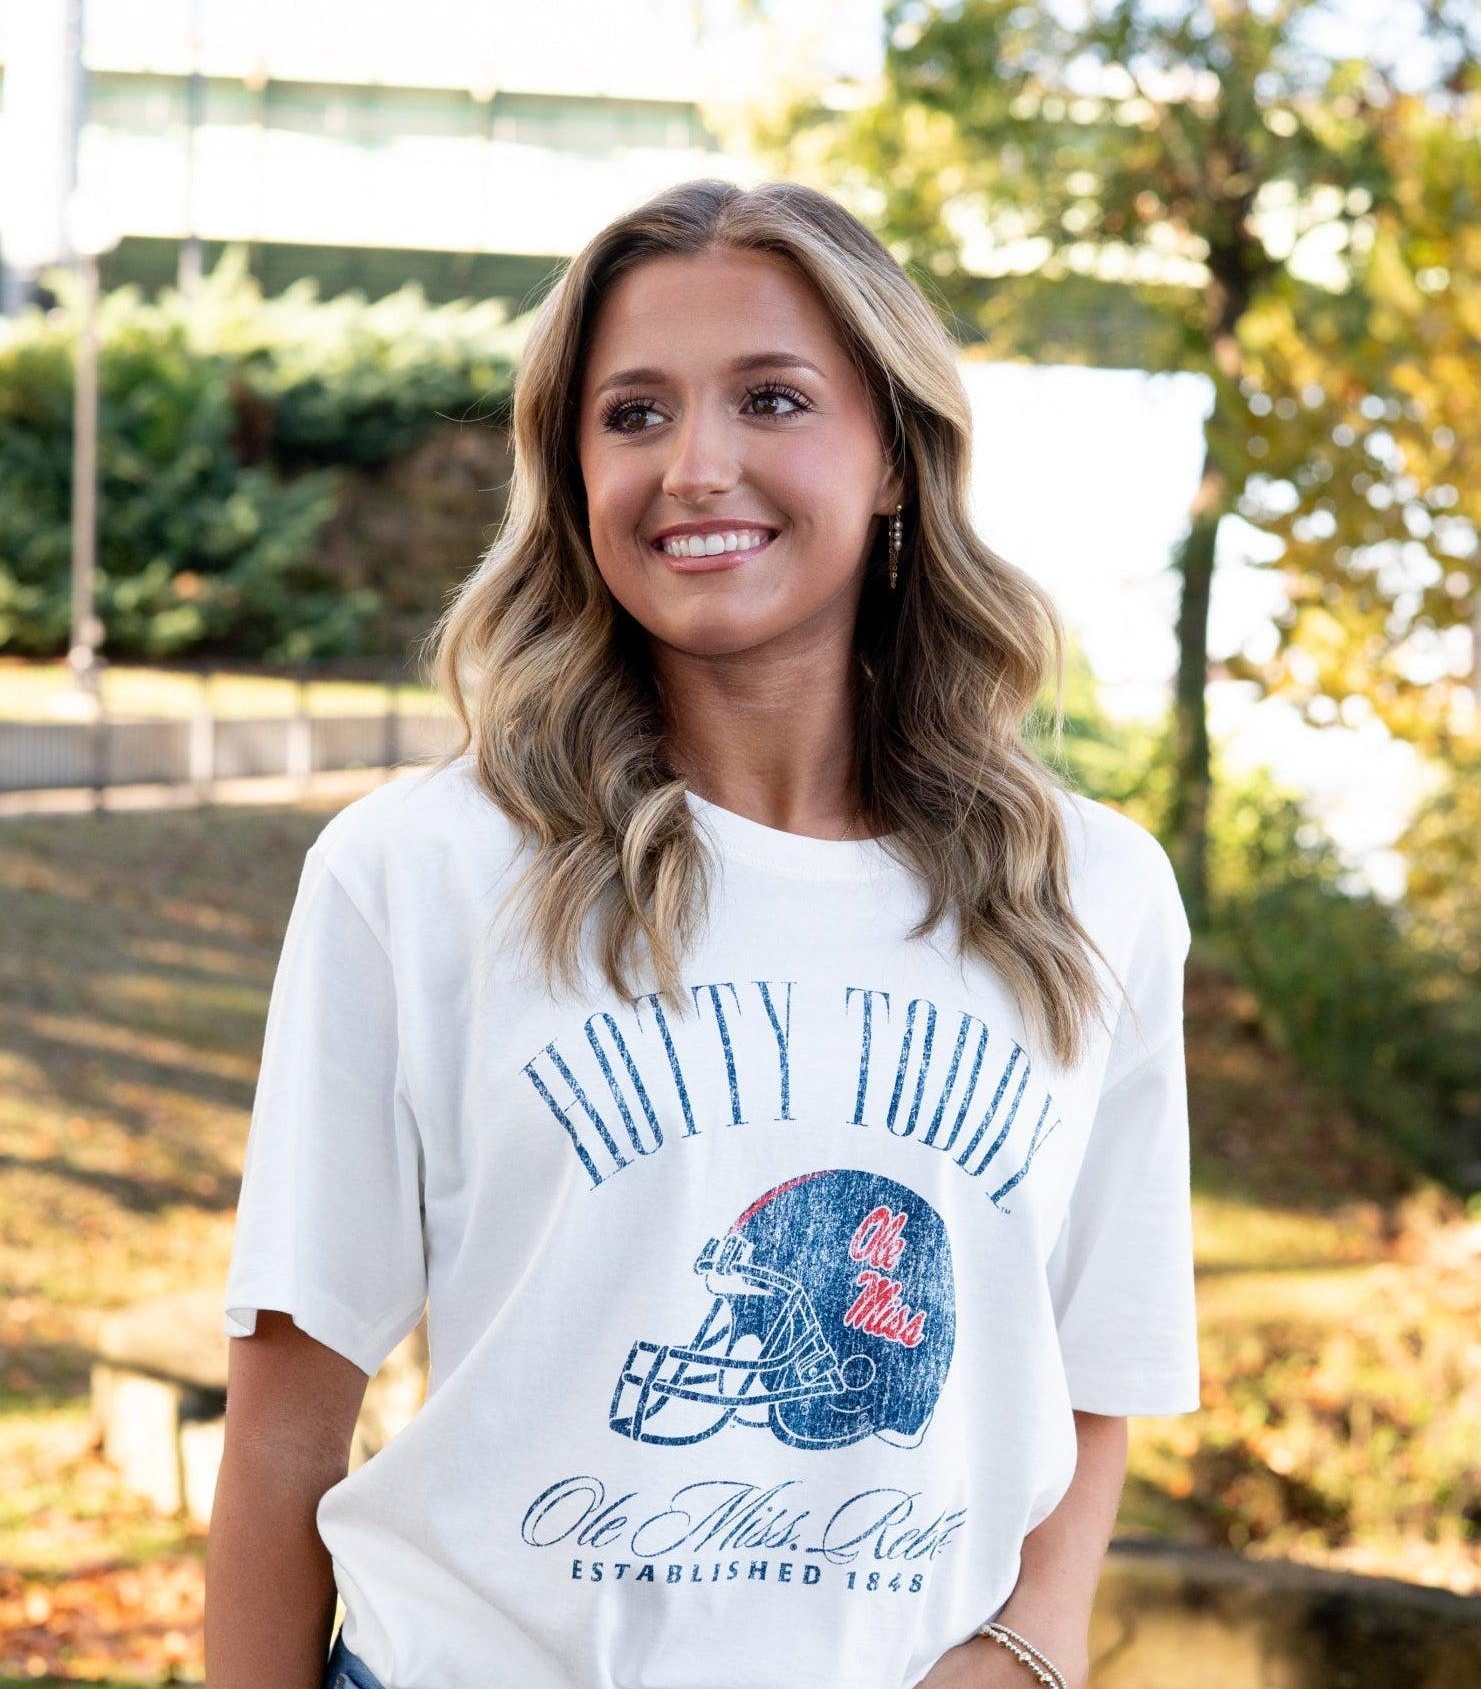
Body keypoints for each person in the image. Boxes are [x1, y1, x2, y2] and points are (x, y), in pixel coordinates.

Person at [205, 177, 1200, 1689]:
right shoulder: (414, 874)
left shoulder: (1094, 898)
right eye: (634, 415)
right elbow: (282, 1437)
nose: (696, 467)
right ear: (572, 469)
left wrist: (1022, 1647)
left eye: (774, 398)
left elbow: (1098, 1375)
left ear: (894, 462)